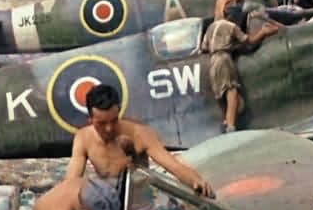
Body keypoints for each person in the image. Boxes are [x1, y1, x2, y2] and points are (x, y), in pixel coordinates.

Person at [65, 83, 214, 199]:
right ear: (90, 120)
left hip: (140, 202)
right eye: (102, 124)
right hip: (110, 205)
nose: (109, 128)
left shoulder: (139, 134)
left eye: (114, 120)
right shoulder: (83, 138)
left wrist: (195, 180)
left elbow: (173, 165)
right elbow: (70, 182)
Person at [200, 4, 280, 131]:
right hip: (224, 59)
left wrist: (228, 45)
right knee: (232, 91)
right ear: (233, 17)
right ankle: (231, 126)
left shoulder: (211, 27)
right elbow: (250, 41)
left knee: (221, 94)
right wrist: (263, 32)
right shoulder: (231, 26)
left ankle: (226, 121)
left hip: (213, 61)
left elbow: (204, 48)